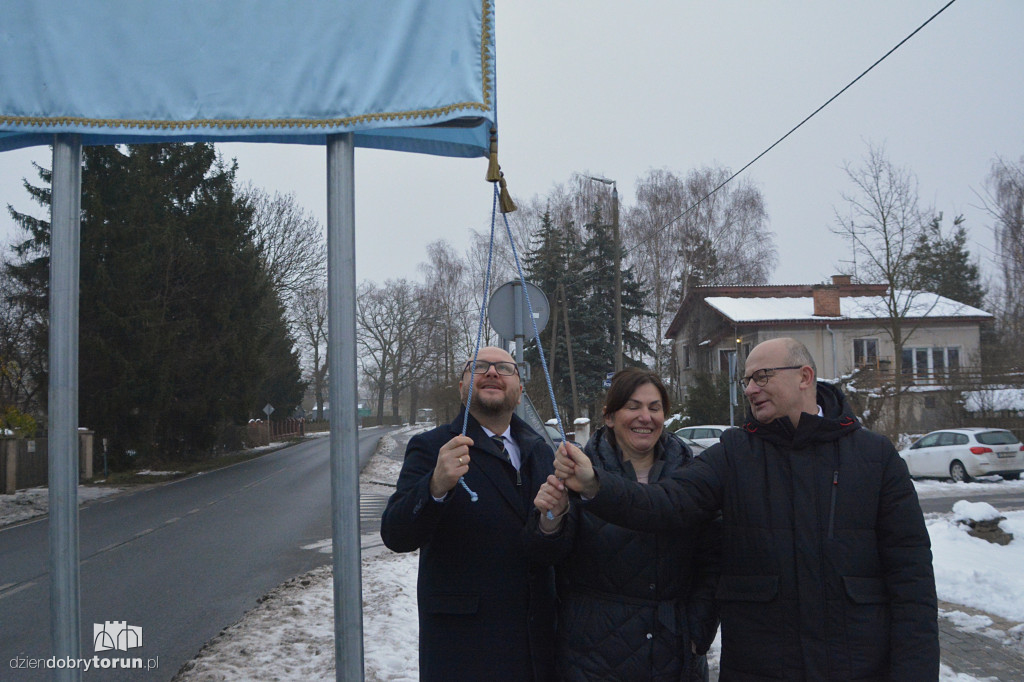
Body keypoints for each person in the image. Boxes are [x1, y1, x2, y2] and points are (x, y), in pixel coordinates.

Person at [551, 338, 939, 681]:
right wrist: (595, 484)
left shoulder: (874, 456)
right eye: (747, 380)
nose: (750, 389)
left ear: (804, 377)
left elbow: (912, 580)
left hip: (857, 667)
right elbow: (666, 503)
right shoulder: (734, 454)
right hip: (760, 668)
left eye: (762, 377)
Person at [529, 367, 720, 682]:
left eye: (654, 408)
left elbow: (712, 557)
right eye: (633, 407)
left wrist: (697, 632)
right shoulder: (578, 472)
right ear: (609, 416)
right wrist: (551, 519)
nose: (645, 417)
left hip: (674, 655)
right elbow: (544, 557)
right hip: (593, 656)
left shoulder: (691, 472)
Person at [380, 346, 557, 682]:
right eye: (479, 366)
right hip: (463, 651)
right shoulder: (432, 447)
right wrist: (435, 485)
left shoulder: (541, 452)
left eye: (505, 368)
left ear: (520, 391)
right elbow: (396, 534)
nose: (492, 372)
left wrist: (557, 519)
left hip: (535, 650)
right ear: (462, 387)